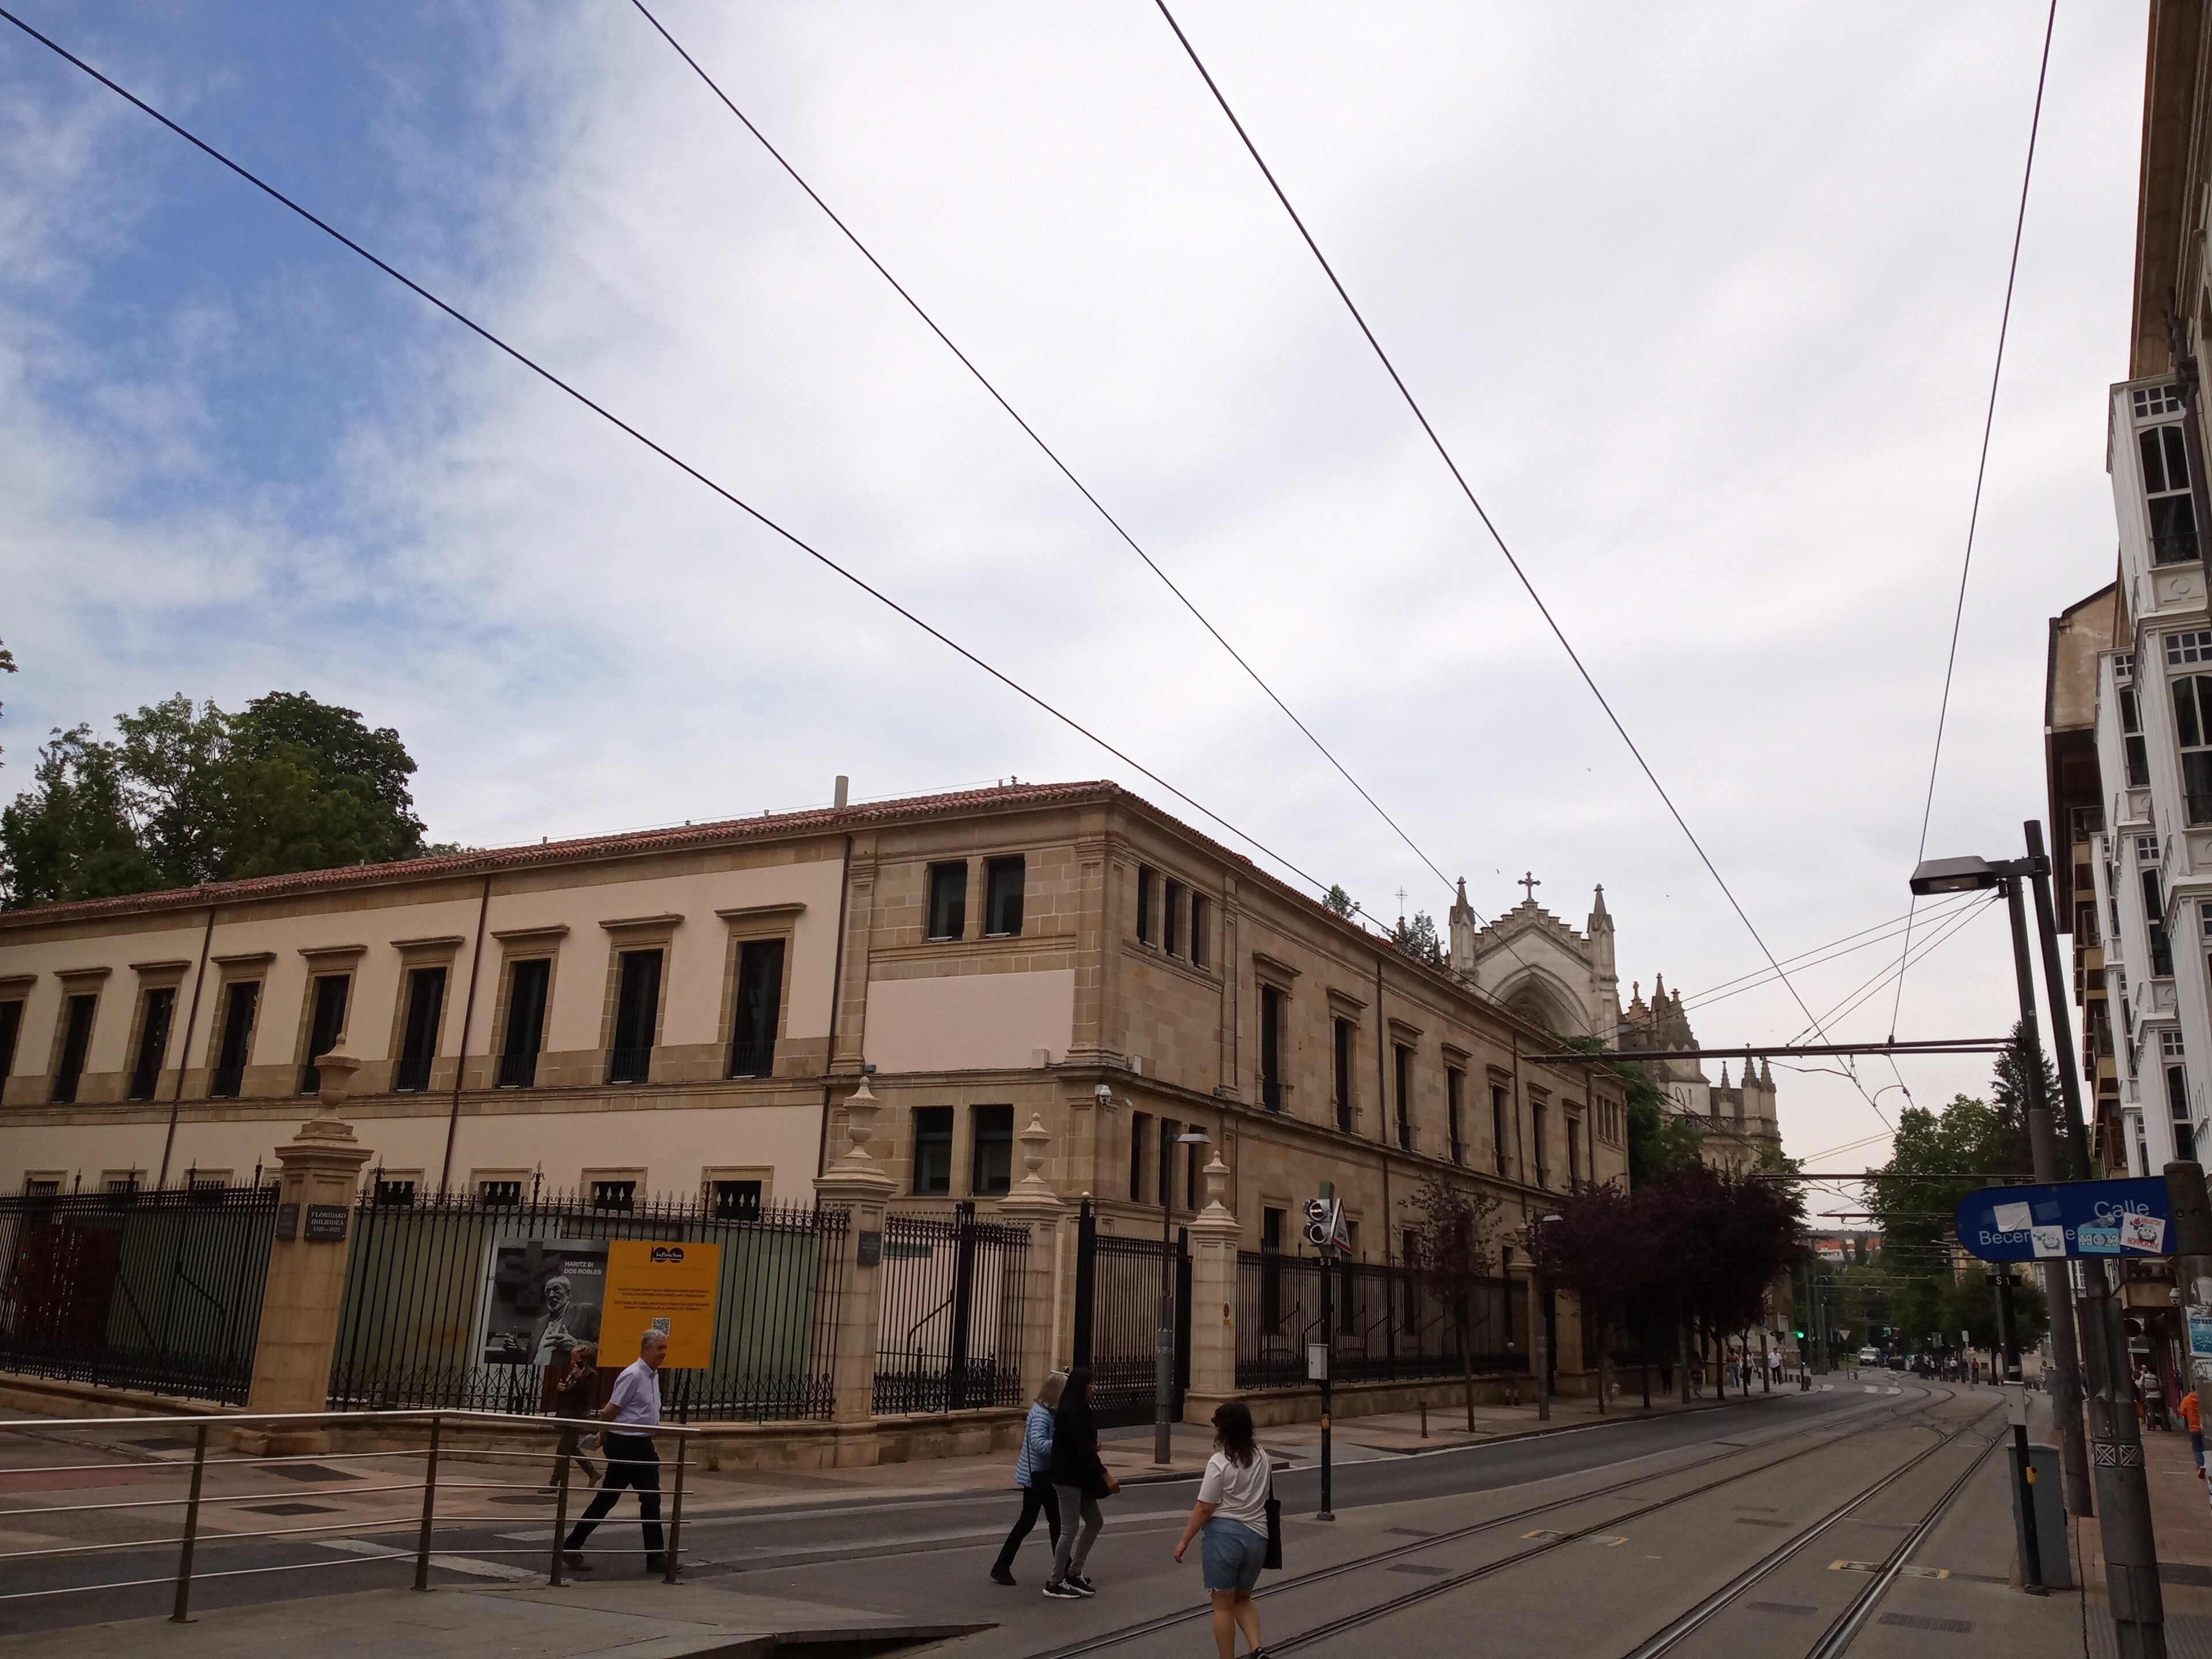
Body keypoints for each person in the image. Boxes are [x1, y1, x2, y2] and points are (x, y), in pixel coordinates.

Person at [562, 1328, 669, 1575]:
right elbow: (611, 1410)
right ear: (646, 1349)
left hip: (642, 1444)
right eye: (660, 1349)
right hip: (627, 1444)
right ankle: (655, 1557)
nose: (663, 1353)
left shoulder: (652, 1376)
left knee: (633, 1498)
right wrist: (602, 1434)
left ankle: (655, 1556)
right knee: (639, 1498)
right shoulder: (633, 1375)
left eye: (665, 1349)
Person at [1173, 1402, 1272, 1659]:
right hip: (1258, 1536)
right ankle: (1256, 1649)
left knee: (1223, 1608)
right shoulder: (1262, 1456)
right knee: (1243, 1599)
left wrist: (1184, 1540)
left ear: (1223, 1431)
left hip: (1224, 1538)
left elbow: (1205, 1507)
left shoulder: (1219, 1462)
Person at [1044, 1365, 1116, 1599]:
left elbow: (1085, 1444)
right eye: (1091, 1386)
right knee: (1069, 1530)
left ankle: (1075, 1573)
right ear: (1081, 1388)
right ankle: (1056, 1581)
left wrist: (1093, 1445)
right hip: (1067, 1478)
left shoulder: (1081, 1410)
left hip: (1080, 1477)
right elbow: (1080, 1450)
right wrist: (1105, 1475)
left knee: (1095, 1521)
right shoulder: (1070, 1413)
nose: (1094, 1390)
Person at [990, 1371, 1066, 1585]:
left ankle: (1064, 1569)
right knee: (1043, 1523)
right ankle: (1002, 1566)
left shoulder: (1047, 1412)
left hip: (1040, 1477)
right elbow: (1039, 1445)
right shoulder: (1042, 1414)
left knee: (1047, 1523)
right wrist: (1062, 1443)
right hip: (1038, 1478)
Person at [547, 1341, 601, 1491]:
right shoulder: (573, 1373)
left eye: (576, 1360)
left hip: (577, 1417)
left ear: (584, 1360)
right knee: (572, 1448)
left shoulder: (589, 1374)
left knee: (563, 1449)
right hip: (569, 1415)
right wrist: (560, 1389)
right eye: (572, 1360)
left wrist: (579, 1378)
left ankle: (554, 1483)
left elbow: (586, 1395)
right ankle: (593, 1473)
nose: (572, 1363)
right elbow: (569, 1393)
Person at [2180, 1385, 2203, 1477]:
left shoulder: (2187, 1399)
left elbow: (2183, 1412)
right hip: (2207, 1427)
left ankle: (2201, 1465)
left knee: (2197, 1448)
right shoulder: (2205, 1397)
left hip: (2194, 1427)